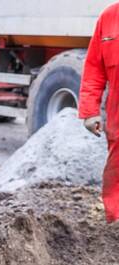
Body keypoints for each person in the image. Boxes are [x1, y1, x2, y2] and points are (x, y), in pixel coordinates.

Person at [80, 3, 119, 222]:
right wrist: (90, 111)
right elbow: (94, 67)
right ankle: (116, 223)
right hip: (117, 114)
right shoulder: (109, 17)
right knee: (117, 171)